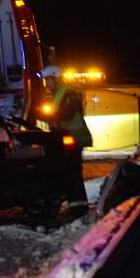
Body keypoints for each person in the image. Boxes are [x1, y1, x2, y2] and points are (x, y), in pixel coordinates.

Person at [40, 65, 93, 212]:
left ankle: (79, 207)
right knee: (68, 171)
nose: (46, 84)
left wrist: (50, 117)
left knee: (72, 171)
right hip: (67, 139)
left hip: (76, 137)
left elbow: (67, 113)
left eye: (47, 80)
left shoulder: (68, 93)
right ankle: (75, 205)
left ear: (55, 79)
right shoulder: (58, 93)